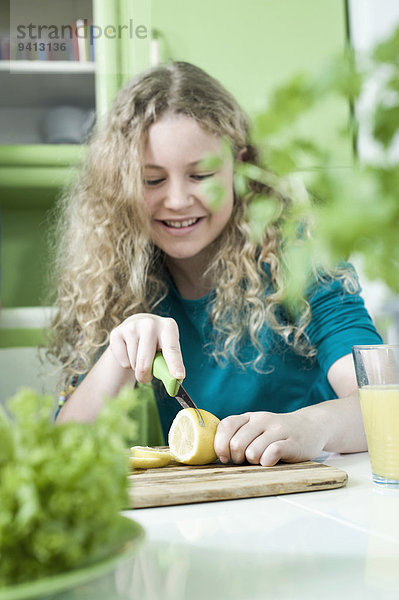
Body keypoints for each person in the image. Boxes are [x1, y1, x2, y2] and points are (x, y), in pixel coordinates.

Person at [49, 61, 382, 466]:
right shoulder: (120, 275)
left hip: (322, 493)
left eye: (201, 174)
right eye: (152, 180)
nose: (177, 200)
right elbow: (61, 451)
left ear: (239, 166)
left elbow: (382, 398)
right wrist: (118, 356)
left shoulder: (300, 249)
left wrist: (313, 426)